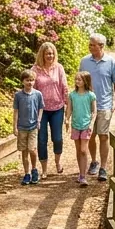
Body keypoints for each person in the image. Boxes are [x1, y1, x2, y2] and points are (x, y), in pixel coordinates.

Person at [78, 33, 115, 182]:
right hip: (87, 105)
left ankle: (103, 167)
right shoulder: (84, 61)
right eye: (90, 44)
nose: (90, 47)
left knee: (104, 135)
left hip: (104, 105)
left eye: (93, 45)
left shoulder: (111, 62)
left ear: (101, 46)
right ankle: (94, 161)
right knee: (90, 136)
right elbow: (79, 81)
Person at [32, 42, 68, 178]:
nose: (50, 56)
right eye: (48, 53)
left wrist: (68, 107)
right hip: (41, 110)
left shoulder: (58, 68)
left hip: (57, 108)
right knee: (41, 140)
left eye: (52, 53)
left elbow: (64, 87)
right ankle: (44, 169)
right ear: (42, 54)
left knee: (57, 138)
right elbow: (32, 89)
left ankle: (58, 162)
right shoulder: (35, 69)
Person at [13, 69, 44, 185]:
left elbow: (41, 107)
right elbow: (16, 111)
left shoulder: (38, 94)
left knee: (32, 149)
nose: (30, 83)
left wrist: (39, 120)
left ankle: (34, 169)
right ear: (22, 81)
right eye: (27, 80)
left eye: (32, 80)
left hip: (33, 126)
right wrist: (14, 127)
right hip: (21, 127)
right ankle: (26, 173)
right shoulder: (18, 95)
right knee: (24, 151)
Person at [67, 71, 97, 186]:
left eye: (79, 79)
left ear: (85, 81)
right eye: (76, 79)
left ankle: (83, 176)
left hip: (86, 126)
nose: (77, 81)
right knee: (78, 150)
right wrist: (67, 119)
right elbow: (69, 109)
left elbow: (94, 111)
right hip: (75, 125)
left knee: (84, 150)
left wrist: (91, 123)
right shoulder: (72, 95)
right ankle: (81, 173)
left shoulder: (91, 95)